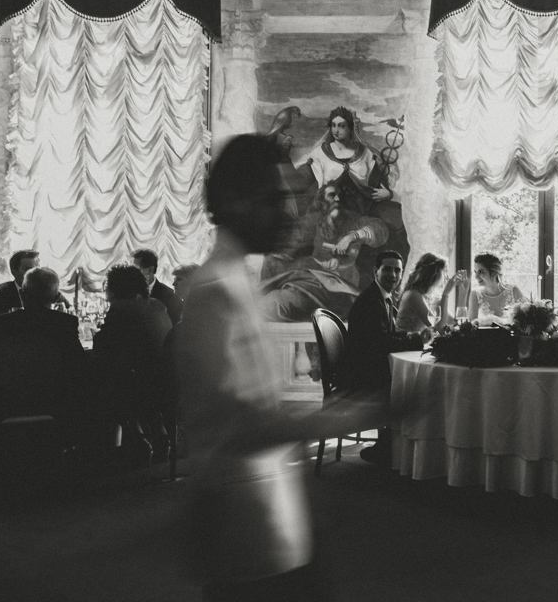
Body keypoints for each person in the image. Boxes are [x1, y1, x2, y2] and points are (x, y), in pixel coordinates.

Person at [174, 134, 372, 600]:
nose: (290, 213)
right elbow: (243, 428)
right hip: (240, 524)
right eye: (274, 199)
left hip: (266, 516)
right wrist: (357, 414)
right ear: (232, 201)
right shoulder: (215, 292)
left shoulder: (237, 279)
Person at [259, 181, 387, 321]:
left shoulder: (352, 219)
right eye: (332, 195)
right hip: (313, 279)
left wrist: (351, 237)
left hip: (340, 285)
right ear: (322, 200)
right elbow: (292, 239)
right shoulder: (315, 220)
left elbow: (379, 229)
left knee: (280, 301)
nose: (337, 199)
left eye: (339, 196)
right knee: (275, 294)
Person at [0, 267, 88, 439]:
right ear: (56, 297)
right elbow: (78, 366)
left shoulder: (3, 323)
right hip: (55, 403)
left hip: (9, 403)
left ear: (22, 294)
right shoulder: (65, 323)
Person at [343, 250, 419, 463]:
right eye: (387, 269)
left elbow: (386, 336)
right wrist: (415, 341)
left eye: (397, 270)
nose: (393, 275)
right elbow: (381, 343)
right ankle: (391, 446)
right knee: (416, 386)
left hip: (372, 367)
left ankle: (397, 444)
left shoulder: (382, 298)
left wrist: (411, 337)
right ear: (375, 271)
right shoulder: (370, 302)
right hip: (363, 376)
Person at [93, 264, 173, 462]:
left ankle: (133, 442)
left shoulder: (121, 310)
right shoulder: (156, 305)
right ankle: (157, 436)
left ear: (113, 289)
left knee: (100, 386)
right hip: (166, 381)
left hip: (141, 385)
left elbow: (104, 347)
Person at [394, 253, 465, 337]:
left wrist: (463, 293)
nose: (447, 277)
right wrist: (446, 294)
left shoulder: (434, 295)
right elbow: (438, 329)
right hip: (407, 344)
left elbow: (454, 323)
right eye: (445, 272)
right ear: (434, 273)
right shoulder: (413, 295)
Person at [467, 253, 526, 322]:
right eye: (475, 272)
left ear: (494, 273)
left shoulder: (513, 291)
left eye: (481, 272)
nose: (476, 277)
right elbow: (472, 325)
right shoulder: (475, 295)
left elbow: (526, 319)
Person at [132, 249, 182, 327]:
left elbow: (174, 327)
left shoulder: (170, 296)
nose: (132, 274)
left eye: (136, 269)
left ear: (150, 270)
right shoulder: (127, 293)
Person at [0, 249, 40, 317]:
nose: (35, 274)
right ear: (14, 272)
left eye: (37, 269)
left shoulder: (47, 292)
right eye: (28, 269)